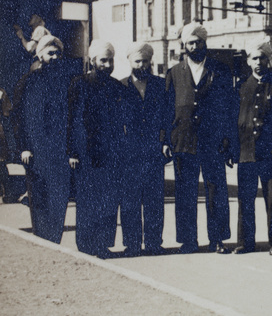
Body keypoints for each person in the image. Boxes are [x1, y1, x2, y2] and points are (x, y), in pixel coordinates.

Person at [165, 22, 235, 254]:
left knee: (216, 190)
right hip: (183, 141)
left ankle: (217, 238)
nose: (194, 46)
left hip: (212, 141)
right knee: (185, 191)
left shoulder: (220, 70)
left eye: (198, 42)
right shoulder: (174, 73)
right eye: (190, 43)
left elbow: (229, 107)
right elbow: (166, 109)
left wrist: (227, 139)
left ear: (205, 43)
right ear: (183, 46)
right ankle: (188, 240)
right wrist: (166, 139)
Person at [67, 40, 124, 258]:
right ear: (93, 61)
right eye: (103, 60)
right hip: (85, 152)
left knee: (109, 199)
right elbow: (72, 120)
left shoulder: (117, 87)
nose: (108, 64)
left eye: (110, 60)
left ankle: (103, 243)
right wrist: (72, 151)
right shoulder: (79, 84)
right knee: (88, 198)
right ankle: (85, 243)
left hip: (110, 152)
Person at [19, 35, 73, 243]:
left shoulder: (68, 81)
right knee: (39, 199)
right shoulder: (29, 82)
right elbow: (21, 117)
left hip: (60, 151)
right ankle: (41, 240)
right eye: (50, 53)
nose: (55, 57)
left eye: (58, 53)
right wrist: (24, 147)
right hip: (36, 151)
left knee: (58, 199)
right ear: (40, 55)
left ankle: (55, 240)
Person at [233, 37, 272, 255]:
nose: (259, 62)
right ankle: (245, 242)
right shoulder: (242, 86)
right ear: (248, 61)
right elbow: (234, 120)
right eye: (255, 58)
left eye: (263, 57)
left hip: (269, 153)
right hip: (247, 152)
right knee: (246, 199)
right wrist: (234, 150)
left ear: (269, 59)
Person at [121, 42, 169, 256]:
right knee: (130, 200)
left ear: (151, 62)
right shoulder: (120, 86)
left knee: (154, 200)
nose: (141, 64)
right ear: (130, 61)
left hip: (153, 151)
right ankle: (131, 244)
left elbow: (168, 116)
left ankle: (153, 243)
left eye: (145, 61)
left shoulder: (161, 85)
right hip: (129, 152)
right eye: (137, 60)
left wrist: (166, 141)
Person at [0, 87, 12, 200]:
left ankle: (6, 191)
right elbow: (6, 113)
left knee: (1, 162)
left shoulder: (1, 93)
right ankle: (6, 191)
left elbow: (6, 112)